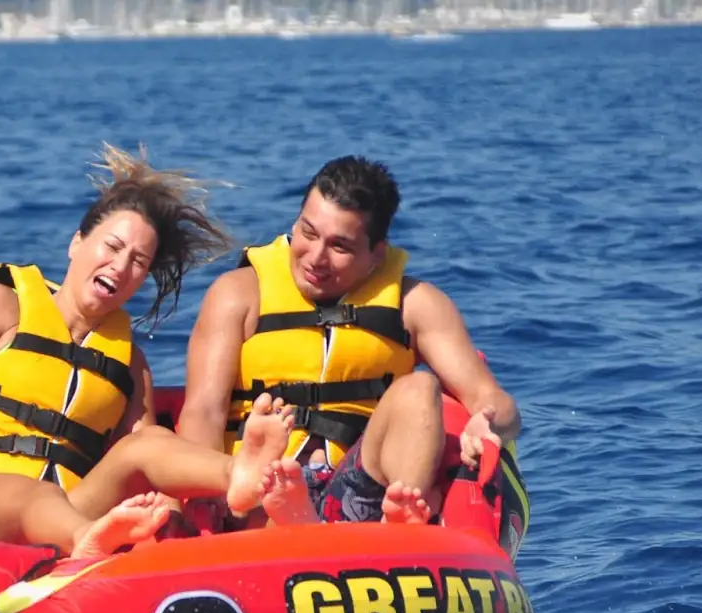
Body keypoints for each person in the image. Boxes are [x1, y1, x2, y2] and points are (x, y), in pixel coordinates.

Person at [0, 143, 292, 558]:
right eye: (112, 247)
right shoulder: (4, 304)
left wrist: (168, 520)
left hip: (75, 512)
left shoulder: (128, 362)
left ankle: (235, 472)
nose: (121, 266)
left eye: (138, 261)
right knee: (26, 494)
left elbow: (149, 464)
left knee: (147, 440)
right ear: (77, 243)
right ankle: (86, 541)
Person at [177, 155, 521, 528]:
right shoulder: (238, 294)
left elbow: (497, 404)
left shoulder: (416, 304)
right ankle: (293, 522)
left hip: (356, 496)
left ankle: (399, 533)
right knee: (275, 489)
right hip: (261, 490)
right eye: (308, 233)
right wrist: (203, 508)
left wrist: (487, 424)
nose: (316, 257)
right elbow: (204, 411)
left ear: (376, 255)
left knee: (421, 387)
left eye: (339, 247)